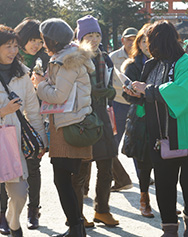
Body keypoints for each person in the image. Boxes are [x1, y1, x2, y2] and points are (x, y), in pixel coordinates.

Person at [124, 20, 188, 237]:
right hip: (161, 135)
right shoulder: (151, 65)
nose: (147, 47)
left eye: (150, 41)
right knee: (164, 184)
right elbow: (149, 96)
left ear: (161, 41)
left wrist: (148, 90)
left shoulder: (187, 63)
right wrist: (135, 94)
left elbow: (182, 93)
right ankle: (169, 229)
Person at [33, 18, 94, 237]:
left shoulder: (69, 61)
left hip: (70, 126)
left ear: (53, 40)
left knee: (63, 180)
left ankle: (76, 229)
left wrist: (39, 84)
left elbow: (59, 96)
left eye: (44, 39)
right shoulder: (66, 57)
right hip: (67, 123)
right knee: (66, 180)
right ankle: (76, 228)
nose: (43, 43)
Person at [71, 15, 119, 228]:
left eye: (97, 34)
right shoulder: (74, 57)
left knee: (106, 164)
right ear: (80, 37)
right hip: (82, 115)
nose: (93, 38)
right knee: (82, 168)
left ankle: (102, 210)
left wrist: (109, 92)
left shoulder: (105, 58)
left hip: (102, 112)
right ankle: (77, 214)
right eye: (89, 35)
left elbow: (112, 81)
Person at [0, 24, 47, 237]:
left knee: (19, 194)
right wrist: (3, 111)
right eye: (7, 46)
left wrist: (42, 141)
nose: (13, 51)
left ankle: (13, 222)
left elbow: (33, 112)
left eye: (15, 46)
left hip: (12, 143)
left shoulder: (23, 74)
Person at [13, 17, 50, 230]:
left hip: (33, 121)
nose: (36, 45)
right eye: (33, 40)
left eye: (40, 41)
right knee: (9, 169)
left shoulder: (43, 59)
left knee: (33, 167)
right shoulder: (10, 59)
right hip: (10, 121)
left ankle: (33, 210)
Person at [120, 23, 155, 218]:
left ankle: (165, 200)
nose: (147, 45)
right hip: (140, 117)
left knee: (163, 161)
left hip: (162, 116)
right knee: (143, 161)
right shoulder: (132, 65)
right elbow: (129, 96)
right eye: (143, 41)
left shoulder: (166, 63)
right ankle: (144, 199)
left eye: (150, 41)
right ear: (138, 43)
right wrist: (143, 95)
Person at [109, 27, 138, 192]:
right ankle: (116, 177)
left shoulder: (141, 56)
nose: (131, 42)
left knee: (137, 141)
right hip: (118, 104)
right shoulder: (113, 57)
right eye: (128, 39)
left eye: (135, 39)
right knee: (113, 142)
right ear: (122, 40)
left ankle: (143, 176)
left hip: (137, 105)